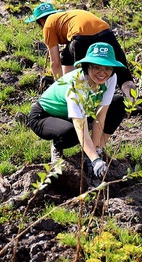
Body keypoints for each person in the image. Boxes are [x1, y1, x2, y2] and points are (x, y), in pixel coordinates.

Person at [27, 42, 125, 179]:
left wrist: (95, 152)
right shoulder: (76, 86)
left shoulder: (111, 78)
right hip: (45, 116)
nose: (102, 73)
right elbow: (80, 127)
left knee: (118, 104)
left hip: (81, 111)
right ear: (87, 66)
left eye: (107, 68)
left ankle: (95, 149)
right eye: (97, 67)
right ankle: (57, 147)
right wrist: (95, 161)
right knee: (71, 133)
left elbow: (100, 116)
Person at [25, 3, 137, 100]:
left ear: (41, 21)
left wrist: (57, 86)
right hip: (106, 33)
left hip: (82, 39)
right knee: (123, 71)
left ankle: (69, 93)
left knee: (78, 67)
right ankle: (132, 102)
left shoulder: (48, 25)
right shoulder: (69, 15)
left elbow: (55, 63)